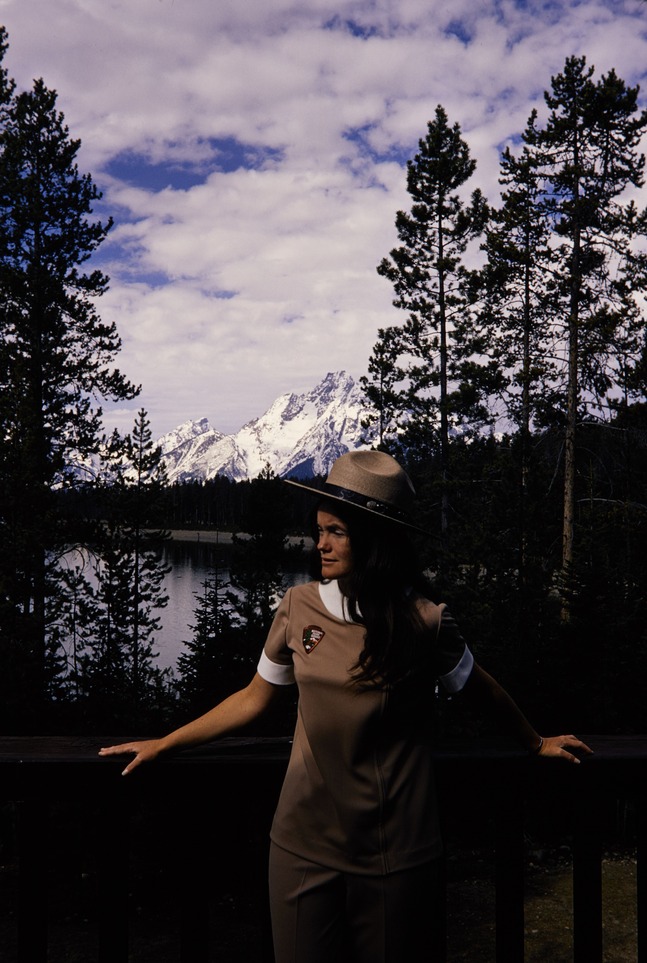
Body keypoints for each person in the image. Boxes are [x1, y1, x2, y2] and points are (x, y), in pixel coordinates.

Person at [99, 450, 591, 963]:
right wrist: (165, 743)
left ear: (374, 539)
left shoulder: (425, 621)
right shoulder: (298, 607)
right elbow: (253, 698)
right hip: (301, 844)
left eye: (336, 531)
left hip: (396, 853)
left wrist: (535, 742)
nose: (321, 544)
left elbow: (480, 689)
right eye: (319, 530)